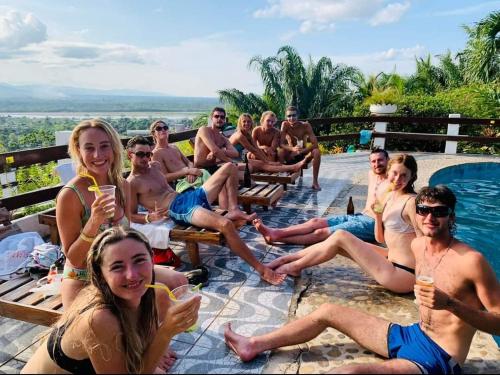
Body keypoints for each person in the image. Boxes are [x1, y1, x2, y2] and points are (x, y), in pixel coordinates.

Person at [224, 185, 500, 374]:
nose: (429, 217)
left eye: (439, 211)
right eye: (423, 210)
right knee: (327, 311)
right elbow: (386, 249)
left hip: (439, 358)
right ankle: (253, 345)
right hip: (412, 334)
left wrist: (450, 304)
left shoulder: (470, 261)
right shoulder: (418, 246)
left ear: (451, 216)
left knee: (350, 371)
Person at [22, 227, 201, 374]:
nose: (132, 275)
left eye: (139, 260)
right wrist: (166, 331)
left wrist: (166, 331)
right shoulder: (99, 318)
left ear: (152, 260)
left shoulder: (154, 295)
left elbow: (144, 358)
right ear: (101, 275)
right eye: (117, 266)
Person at [56, 119, 185, 308]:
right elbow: (74, 259)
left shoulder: (123, 186)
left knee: (178, 281)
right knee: (136, 307)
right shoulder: (70, 195)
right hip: (85, 275)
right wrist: (93, 222)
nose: (98, 155)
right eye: (89, 148)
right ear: (78, 150)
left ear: (114, 148)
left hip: (121, 271)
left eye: (104, 146)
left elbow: (126, 234)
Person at [126, 136, 286, 285]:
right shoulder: (132, 183)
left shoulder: (155, 166)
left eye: (148, 154)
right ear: (129, 155)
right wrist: (149, 218)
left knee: (230, 167)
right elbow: (131, 215)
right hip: (179, 208)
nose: (146, 159)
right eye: (141, 155)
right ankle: (262, 269)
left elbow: (166, 185)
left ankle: (233, 208)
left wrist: (189, 172)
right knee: (226, 225)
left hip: (187, 196)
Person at [266, 154, 420, 294]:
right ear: (389, 172)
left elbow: (425, 242)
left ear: (412, 177)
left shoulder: (412, 202)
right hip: (389, 258)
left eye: (404, 175)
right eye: (395, 173)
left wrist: (426, 283)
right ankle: (289, 261)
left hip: (402, 274)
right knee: (337, 242)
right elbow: (380, 239)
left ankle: (292, 265)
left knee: (340, 235)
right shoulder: (389, 197)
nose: (398, 179)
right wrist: (378, 217)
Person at [253, 148, 389, 245]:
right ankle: (277, 231)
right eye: (374, 161)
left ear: (388, 160)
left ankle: (277, 237)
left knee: (320, 233)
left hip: (371, 224)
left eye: (381, 160)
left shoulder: (392, 182)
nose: (377, 164)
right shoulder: (372, 174)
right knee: (315, 222)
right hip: (359, 216)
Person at [229, 113, 306, 174]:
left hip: (239, 159)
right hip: (231, 161)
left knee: (265, 163)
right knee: (264, 164)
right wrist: (268, 162)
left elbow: (256, 147)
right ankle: (292, 167)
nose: (247, 123)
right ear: (240, 123)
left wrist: (268, 162)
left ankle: (292, 167)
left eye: (249, 121)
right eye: (244, 121)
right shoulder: (240, 135)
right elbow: (253, 150)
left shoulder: (248, 135)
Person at [150, 119, 211, 191]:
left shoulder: (174, 147)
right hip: (182, 182)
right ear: (154, 133)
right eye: (159, 128)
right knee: (211, 191)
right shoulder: (156, 153)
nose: (163, 130)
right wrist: (186, 172)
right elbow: (163, 177)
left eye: (165, 128)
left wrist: (191, 172)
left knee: (219, 185)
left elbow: (189, 162)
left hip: (193, 174)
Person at [278, 106, 322, 190]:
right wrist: (292, 149)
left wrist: (302, 151)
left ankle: (315, 182)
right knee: (280, 152)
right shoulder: (285, 125)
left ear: (298, 116)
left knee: (316, 151)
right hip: (291, 154)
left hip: (304, 153)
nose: (291, 118)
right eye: (289, 116)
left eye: (294, 115)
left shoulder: (305, 125)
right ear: (286, 117)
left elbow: (315, 144)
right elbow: (281, 144)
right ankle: (282, 179)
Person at [194, 107, 239, 175]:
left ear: (225, 120)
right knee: (234, 174)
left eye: (222, 117)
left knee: (245, 172)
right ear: (212, 118)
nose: (219, 119)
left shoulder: (222, 138)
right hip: (202, 170)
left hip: (214, 167)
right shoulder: (204, 130)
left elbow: (235, 153)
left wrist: (222, 150)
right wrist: (231, 163)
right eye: (216, 116)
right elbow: (215, 151)